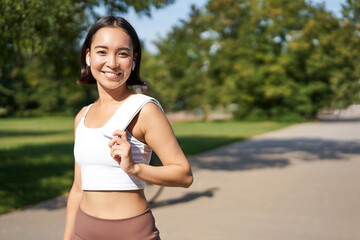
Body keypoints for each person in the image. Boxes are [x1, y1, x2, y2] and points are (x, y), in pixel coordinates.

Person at [63, 16, 193, 240]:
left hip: (131, 233)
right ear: (88, 56)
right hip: (82, 232)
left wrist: (135, 168)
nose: (112, 63)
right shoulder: (81, 116)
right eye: (102, 52)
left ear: (133, 60)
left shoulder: (144, 110)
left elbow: (184, 175)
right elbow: (77, 189)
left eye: (122, 53)